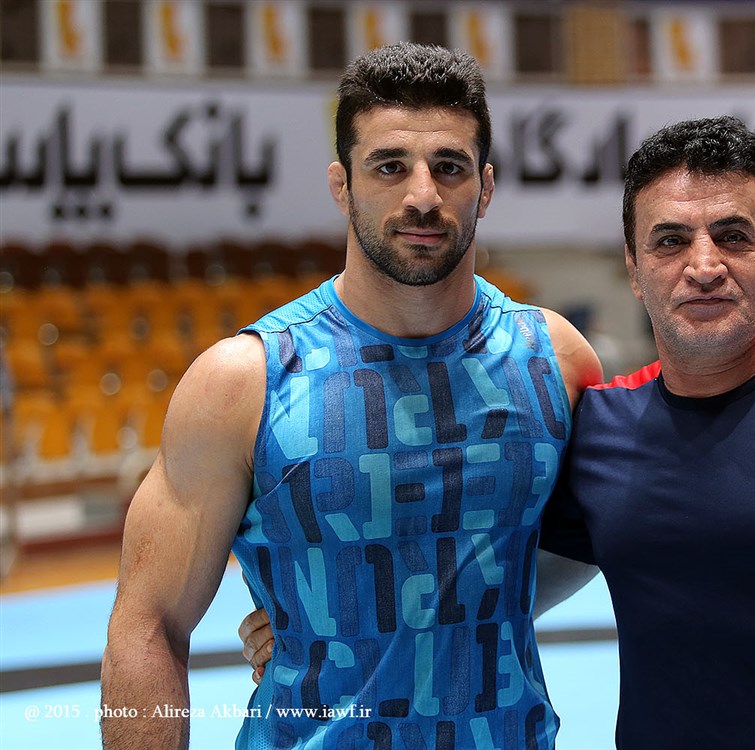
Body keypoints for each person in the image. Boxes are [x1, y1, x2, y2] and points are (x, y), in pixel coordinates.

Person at [242, 116, 755, 748]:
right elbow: (489, 587)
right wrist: (333, 617)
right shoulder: (603, 426)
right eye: (670, 242)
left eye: (733, 236)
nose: (703, 266)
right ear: (635, 271)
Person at [101, 42, 601, 750]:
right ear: (342, 185)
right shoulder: (242, 383)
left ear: (485, 187)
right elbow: (148, 626)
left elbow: (593, 541)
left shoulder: (556, 360)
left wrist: (383, 619)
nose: (422, 195)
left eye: (450, 167)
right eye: (389, 166)